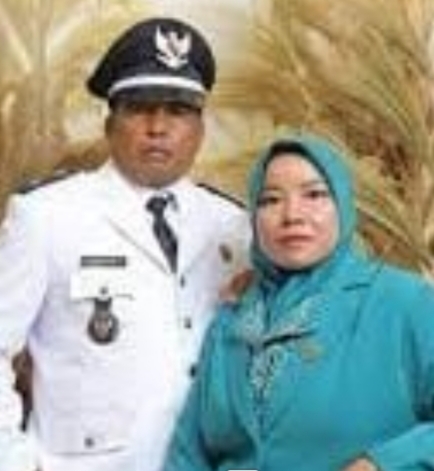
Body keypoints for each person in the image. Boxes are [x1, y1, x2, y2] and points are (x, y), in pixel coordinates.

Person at [164, 132, 434, 471]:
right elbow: (189, 453)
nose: (292, 214)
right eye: (271, 200)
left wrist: (379, 465)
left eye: (314, 194)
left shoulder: (402, 303)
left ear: (343, 205)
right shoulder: (233, 319)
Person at [0, 17, 249, 471]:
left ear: (200, 128)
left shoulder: (233, 226)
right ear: (109, 123)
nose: (158, 127)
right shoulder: (46, 217)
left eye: (177, 110)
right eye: (139, 108)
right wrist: (15, 461)